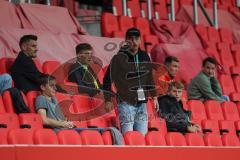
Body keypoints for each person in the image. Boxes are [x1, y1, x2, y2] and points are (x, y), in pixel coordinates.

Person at [103, 27, 159, 135]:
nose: (134, 42)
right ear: (126, 40)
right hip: (126, 103)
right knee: (128, 137)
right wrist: (108, 99)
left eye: (136, 39)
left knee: (141, 138)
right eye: (131, 39)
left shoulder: (144, 56)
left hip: (142, 103)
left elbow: (149, 78)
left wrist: (155, 97)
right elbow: (107, 79)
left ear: (140, 40)